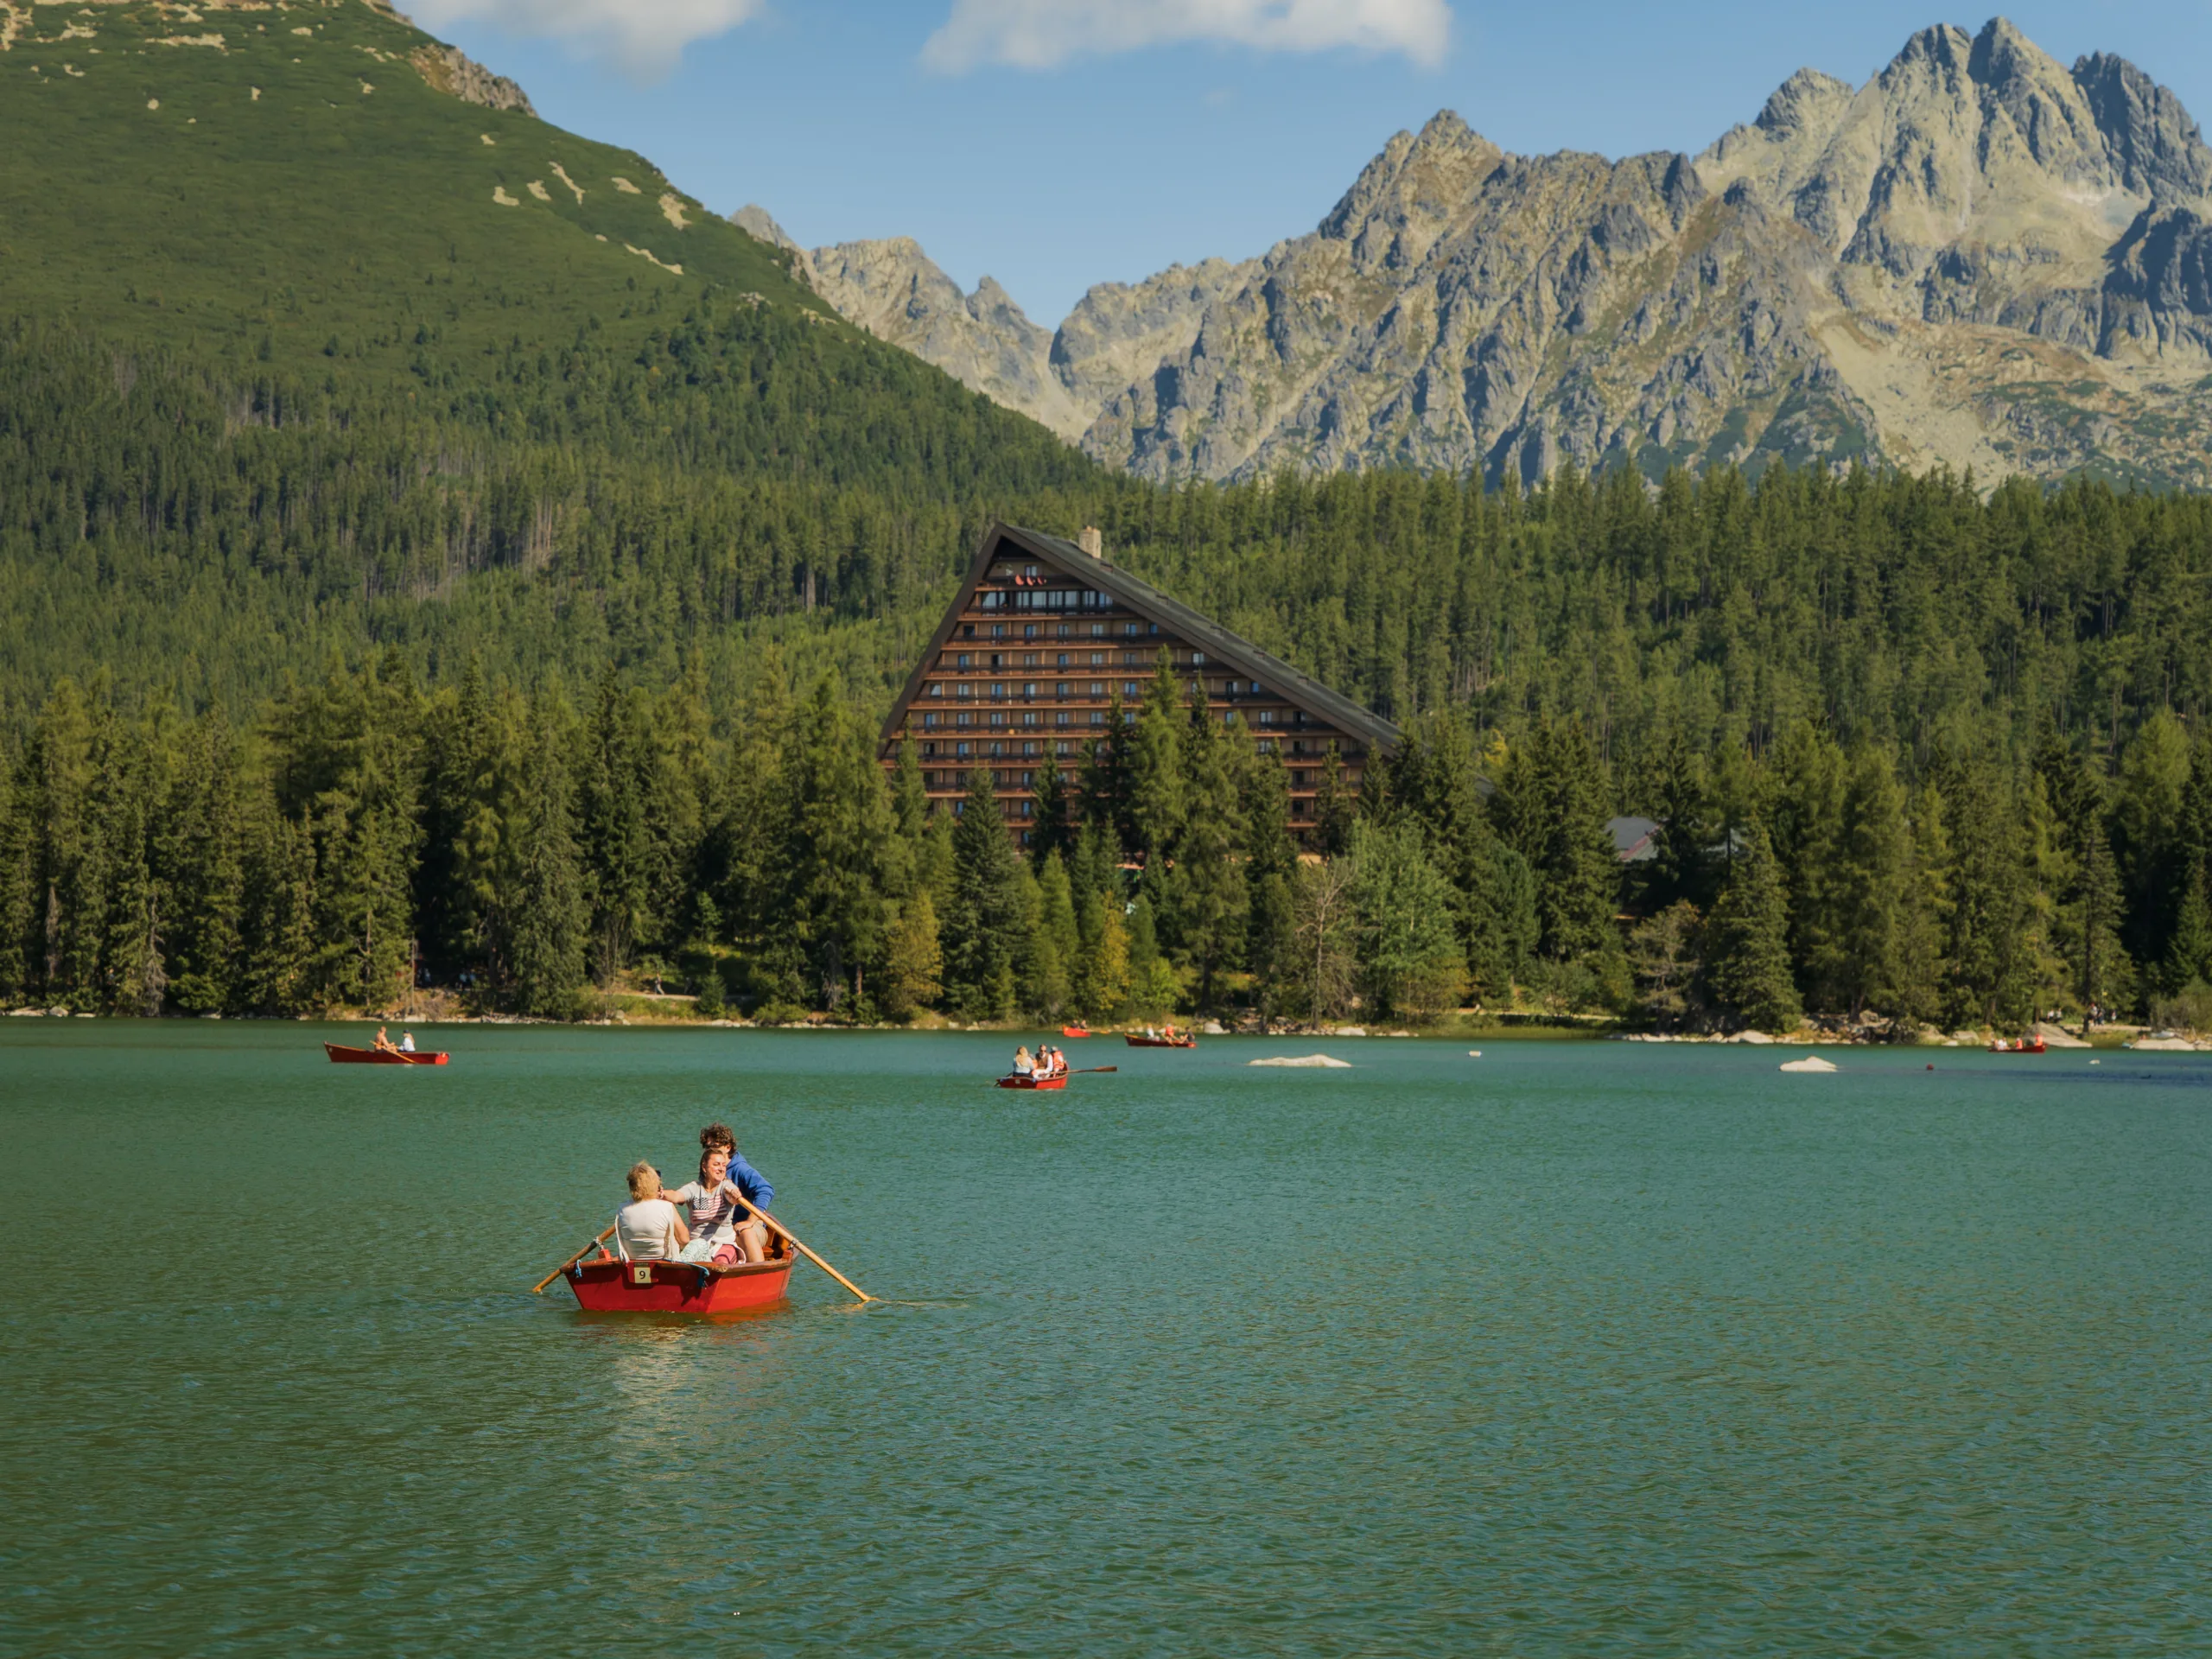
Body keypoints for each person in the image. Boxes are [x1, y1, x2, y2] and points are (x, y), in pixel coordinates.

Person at [671, 1122, 773, 1265]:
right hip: (721, 1227)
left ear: (728, 1147)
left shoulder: (741, 1169)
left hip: (747, 1224)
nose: (711, 1150)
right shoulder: (710, 1167)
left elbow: (766, 1190)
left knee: (745, 1232)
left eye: (716, 1146)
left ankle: (760, 1275)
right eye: (708, 1147)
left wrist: (750, 1221)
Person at [614, 1161, 690, 1262]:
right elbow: (684, 1240)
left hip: (632, 1261)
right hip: (665, 1264)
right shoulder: (667, 1207)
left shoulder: (622, 1209)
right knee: (700, 1244)